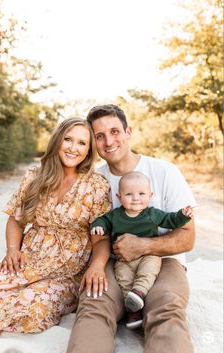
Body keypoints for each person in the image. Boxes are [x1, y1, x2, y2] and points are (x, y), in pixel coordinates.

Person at [67, 104, 196, 353]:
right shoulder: (95, 180)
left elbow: (188, 237)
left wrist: (144, 246)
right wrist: (96, 265)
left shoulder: (164, 172)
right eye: (100, 136)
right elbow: (97, 231)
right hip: (114, 262)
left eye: (115, 131)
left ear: (128, 132)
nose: (109, 141)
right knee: (94, 305)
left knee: (165, 308)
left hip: (164, 260)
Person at [0, 117, 111, 337]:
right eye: (68, 139)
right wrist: (13, 250)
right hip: (28, 259)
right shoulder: (35, 176)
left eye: (82, 143)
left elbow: (100, 238)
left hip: (66, 273)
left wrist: (97, 266)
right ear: (57, 141)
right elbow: (16, 219)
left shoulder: (96, 186)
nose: (74, 148)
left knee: (34, 308)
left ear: (89, 149)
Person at [90, 171, 194, 329]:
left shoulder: (152, 214)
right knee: (123, 279)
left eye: (141, 193)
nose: (136, 198)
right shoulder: (116, 215)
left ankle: (139, 292)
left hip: (148, 255)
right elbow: (102, 220)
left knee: (148, 271)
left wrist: (183, 215)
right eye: (129, 194)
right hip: (123, 259)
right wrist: (98, 226)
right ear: (119, 197)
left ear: (150, 195)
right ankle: (133, 311)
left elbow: (171, 219)